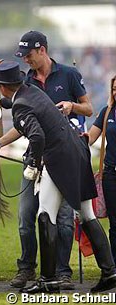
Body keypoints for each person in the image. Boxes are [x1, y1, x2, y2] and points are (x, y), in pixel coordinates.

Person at [0, 61, 116, 293]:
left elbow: (37, 136)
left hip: (58, 159)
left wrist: (33, 163)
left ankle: (48, 280)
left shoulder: (22, 104)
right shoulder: (31, 92)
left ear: (3, 86)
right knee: (87, 215)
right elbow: (17, 102)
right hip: (78, 153)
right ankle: (110, 272)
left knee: (45, 215)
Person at [88, 75, 116, 265]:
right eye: (114, 89)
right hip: (111, 174)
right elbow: (89, 138)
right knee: (115, 225)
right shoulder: (107, 112)